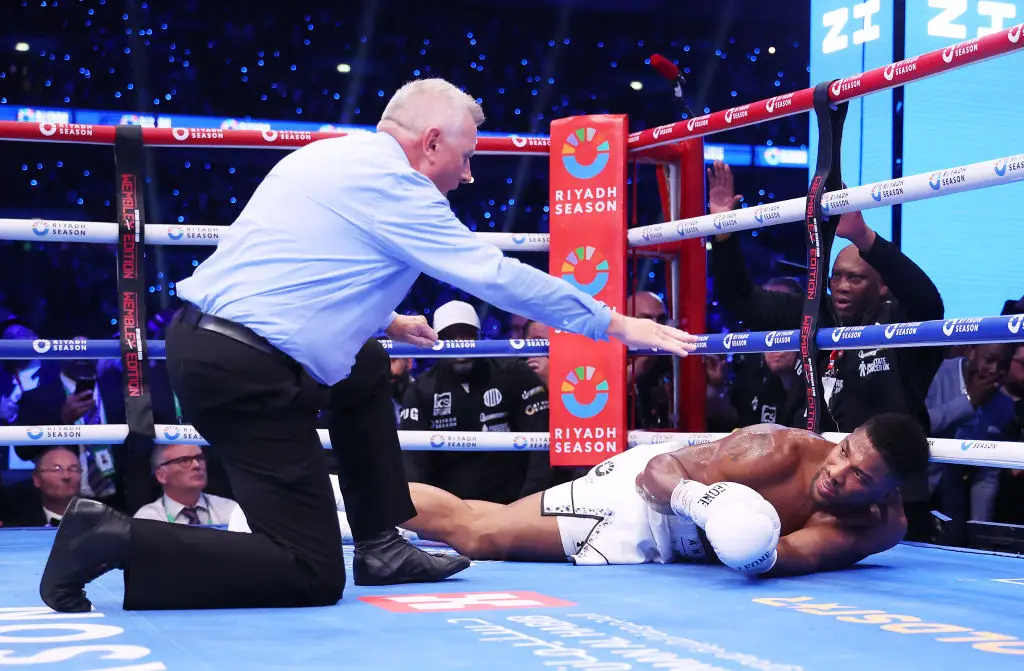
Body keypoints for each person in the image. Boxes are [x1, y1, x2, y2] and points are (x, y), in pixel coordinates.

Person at [39, 78, 698, 613]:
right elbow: (493, 273)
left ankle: (381, 539)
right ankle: (114, 535)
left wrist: (386, 317)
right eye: (467, 155)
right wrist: (612, 323)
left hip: (213, 345)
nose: (468, 175)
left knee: (366, 361)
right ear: (432, 141)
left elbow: (304, 262)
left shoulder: (333, 154)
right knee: (308, 571)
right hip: (248, 375)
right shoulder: (398, 188)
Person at [391, 413, 929, 576]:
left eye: (861, 475)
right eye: (843, 452)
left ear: (888, 491)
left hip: (692, 544)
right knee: (480, 536)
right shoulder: (776, 452)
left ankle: (349, 506)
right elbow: (657, 470)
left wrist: (743, 536)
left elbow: (789, 555)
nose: (839, 472)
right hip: (646, 500)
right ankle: (358, 498)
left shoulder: (881, 529)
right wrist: (705, 502)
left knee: (493, 518)